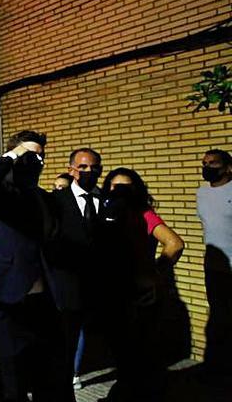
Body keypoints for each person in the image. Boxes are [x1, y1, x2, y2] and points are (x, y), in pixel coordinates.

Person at [0, 130, 72, 402]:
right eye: (30, 155)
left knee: (48, 373)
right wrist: (14, 156)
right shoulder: (2, 194)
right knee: (13, 376)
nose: (36, 161)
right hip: (5, 295)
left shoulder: (45, 197)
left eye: (40, 157)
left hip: (42, 297)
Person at [97, 167, 184, 401]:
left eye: (127, 186)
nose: (121, 191)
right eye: (116, 186)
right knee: (120, 350)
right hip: (113, 292)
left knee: (138, 351)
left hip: (138, 295)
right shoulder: (104, 213)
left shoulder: (143, 213)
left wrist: (154, 273)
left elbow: (174, 244)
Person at [51, 148, 103, 390]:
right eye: (83, 167)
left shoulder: (107, 200)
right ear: (71, 169)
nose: (89, 172)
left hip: (96, 285)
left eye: (94, 168)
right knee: (64, 340)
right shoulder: (55, 203)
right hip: (65, 286)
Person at [197, 148, 232, 381]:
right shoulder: (201, 193)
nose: (207, 167)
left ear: (228, 167)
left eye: (213, 163)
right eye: (205, 163)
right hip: (214, 268)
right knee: (219, 319)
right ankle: (219, 370)